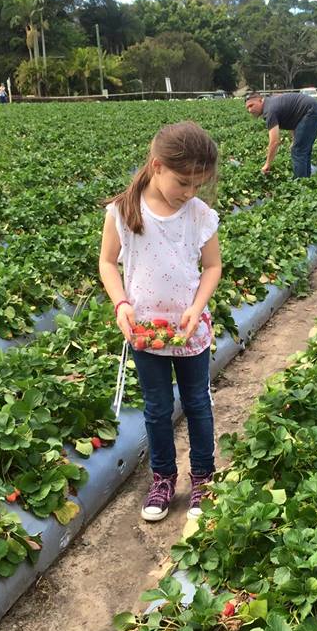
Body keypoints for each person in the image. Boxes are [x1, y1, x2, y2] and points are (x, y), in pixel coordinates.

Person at [99, 121, 222, 522]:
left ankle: (203, 477)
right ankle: (163, 478)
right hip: (145, 332)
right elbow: (106, 263)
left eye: (197, 185)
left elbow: (213, 267)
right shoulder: (122, 211)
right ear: (156, 166)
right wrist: (120, 304)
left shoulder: (198, 215)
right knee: (156, 407)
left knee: (198, 403)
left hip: (189, 329)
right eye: (183, 183)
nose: (189, 193)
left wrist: (196, 305)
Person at [244, 91, 317, 179]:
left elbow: (274, 141)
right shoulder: (270, 105)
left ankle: (301, 184)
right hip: (313, 110)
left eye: (251, 105)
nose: (250, 110)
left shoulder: (269, 111)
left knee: (298, 150)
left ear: (260, 100)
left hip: (311, 111)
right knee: (303, 149)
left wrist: (267, 164)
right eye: (247, 108)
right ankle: (306, 180)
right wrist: (294, 139)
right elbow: (292, 118)